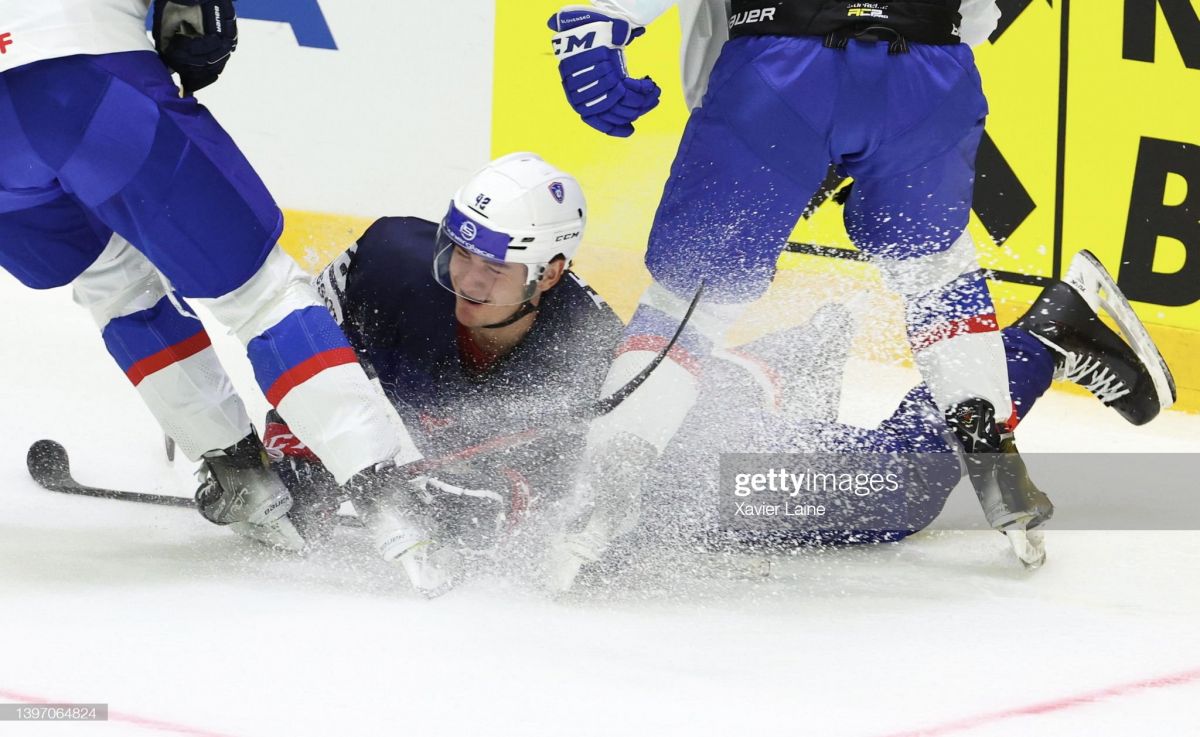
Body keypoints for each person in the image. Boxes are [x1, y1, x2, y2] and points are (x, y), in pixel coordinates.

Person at [255, 155, 1175, 593]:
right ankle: (801, 351)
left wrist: (488, 509)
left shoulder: (590, 354)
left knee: (897, 491)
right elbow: (305, 353)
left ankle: (1049, 330)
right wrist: (288, 448)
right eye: (461, 251)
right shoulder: (385, 264)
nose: (466, 277)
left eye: (498, 264)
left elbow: (580, 520)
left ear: (554, 273)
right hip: (678, 403)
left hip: (696, 460)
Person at [541, 0, 1176, 589]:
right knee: (936, 273)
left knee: (692, 304)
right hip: (928, 74)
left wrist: (606, 17)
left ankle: (605, 494)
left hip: (777, 76)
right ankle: (993, 455)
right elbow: (978, 19)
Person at [0, 1, 431, 576]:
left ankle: (241, 477)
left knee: (112, 280)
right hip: (80, 72)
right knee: (260, 291)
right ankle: (387, 496)